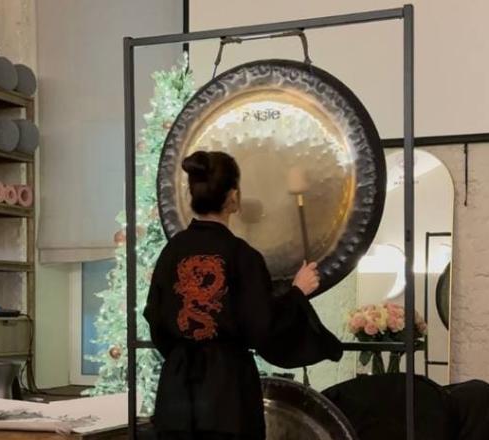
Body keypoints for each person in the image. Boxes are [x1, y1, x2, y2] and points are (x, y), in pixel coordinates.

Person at [144, 151, 343, 440]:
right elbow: (262, 327)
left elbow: (156, 319)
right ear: (233, 197)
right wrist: (297, 292)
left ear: (191, 195)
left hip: (176, 397)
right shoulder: (242, 255)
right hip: (228, 398)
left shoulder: (171, 252)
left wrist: (185, 353)